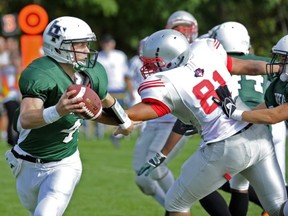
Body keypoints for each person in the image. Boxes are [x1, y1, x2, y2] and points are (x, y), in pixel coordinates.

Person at [113, 29, 287, 216]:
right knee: (278, 207)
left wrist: (112, 112)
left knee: (176, 202)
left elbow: (144, 112)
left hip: (225, 144)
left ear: (170, 58)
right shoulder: (206, 52)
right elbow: (251, 68)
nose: (151, 68)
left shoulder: (168, 81)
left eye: (154, 63)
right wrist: (280, 68)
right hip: (259, 135)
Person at [5, 16, 134, 216]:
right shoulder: (41, 73)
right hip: (26, 162)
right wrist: (58, 110)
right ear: (57, 47)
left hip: (65, 162)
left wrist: (125, 121)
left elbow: (105, 99)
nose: (86, 49)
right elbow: (26, 118)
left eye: (86, 43)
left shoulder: (91, 73)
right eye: (79, 44)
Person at [199, 21, 287, 216]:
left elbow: (273, 114)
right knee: (242, 186)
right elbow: (269, 105)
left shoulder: (215, 63)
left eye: (283, 59)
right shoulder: (272, 74)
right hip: (263, 130)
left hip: (236, 130)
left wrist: (238, 114)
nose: (279, 63)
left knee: (199, 184)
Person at [132, 11, 201, 211]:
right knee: (142, 179)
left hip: (173, 122)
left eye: (184, 28)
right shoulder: (154, 48)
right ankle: (172, 209)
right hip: (151, 122)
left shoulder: (193, 54)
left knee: (157, 167)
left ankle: (179, 210)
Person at [96, 34, 130, 143]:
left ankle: (118, 135)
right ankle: (99, 135)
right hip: (105, 89)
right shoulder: (97, 57)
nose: (107, 45)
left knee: (120, 113)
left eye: (109, 43)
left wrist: (128, 89)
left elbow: (126, 73)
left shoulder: (120, 56)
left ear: (113, 44)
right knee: (102, 113)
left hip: (119, 88)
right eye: (105, 43)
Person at [0, 36, 21, 146]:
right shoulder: (4, 57)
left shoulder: (13, 56)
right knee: (12, 115)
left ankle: (13, 138)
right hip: (7, 93)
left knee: (14, 115)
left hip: (15, 92)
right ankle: (12, 139)